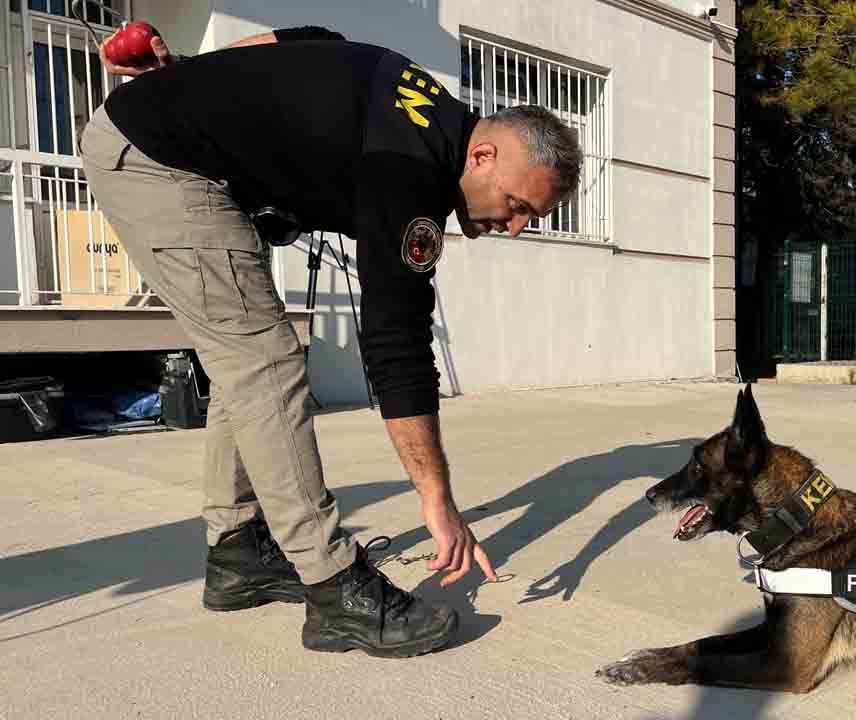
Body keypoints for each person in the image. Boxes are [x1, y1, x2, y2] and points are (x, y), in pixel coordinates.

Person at [81, 24, 582, 658]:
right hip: (158, 160)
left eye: (529, 220)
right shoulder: (409, 170)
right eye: (516, 205)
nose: (512, 226)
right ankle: (333, 587)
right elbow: (395, 343)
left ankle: (238, 551)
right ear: (482, 157)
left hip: (164, 142)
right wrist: (438, 500)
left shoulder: (418, 95)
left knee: (253, 358)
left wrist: (186, 71)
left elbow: (308, 38)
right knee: (263, 362)